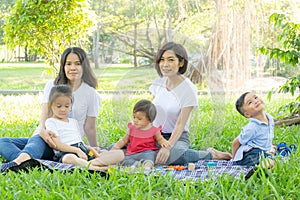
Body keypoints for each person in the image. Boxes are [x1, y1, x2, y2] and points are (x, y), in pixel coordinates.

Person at [0, 47, 103, 172]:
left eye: (77, 64)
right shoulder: (52, 85)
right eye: (68, 64)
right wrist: (43, 131)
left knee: (35, 145)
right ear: (63, 66)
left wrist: (93, 147)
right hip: (47, 135)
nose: (72, 68)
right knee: (4, 141)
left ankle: (18, 162)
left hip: (66, 144)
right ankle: (28, 161)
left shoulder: (91, 93)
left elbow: (90, 127)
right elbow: (45, 116)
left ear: (84, 66)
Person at [149, 42, 232, 165]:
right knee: (127, 148)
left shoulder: (188, 89)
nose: (165, 64)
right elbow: (150, 114)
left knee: (175, 156)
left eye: (171, 60)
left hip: (177, 138)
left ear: (181, 63)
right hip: (155, 136)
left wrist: (167, 147)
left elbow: (180, 124)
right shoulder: (159, 82)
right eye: (162, 60)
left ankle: (212, 154)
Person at [45, 85, 123, 170]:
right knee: (68, 159)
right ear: (50, 105)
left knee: (119, 154)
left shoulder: (73, 122)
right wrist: (77, 151)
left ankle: (89, 164)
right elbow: (57, 145)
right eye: (59, 106)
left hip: (82, 150)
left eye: (67, 106)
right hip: (67, 152)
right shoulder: (51, 122)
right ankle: (97, 168)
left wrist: (91, 149)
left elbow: (78, 141)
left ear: (71, 105)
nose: (63, 109)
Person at [111, 99, 168, 169]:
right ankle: (137, 164)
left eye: (139, 119)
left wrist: (164, 143)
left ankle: (147, 167)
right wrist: (115, 147)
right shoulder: (131, 129)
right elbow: (124, 140)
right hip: (131, 153)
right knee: (121, 157)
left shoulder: (154, 130)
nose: (135, 120)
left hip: (147, 152)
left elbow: (160, 139)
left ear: (149, 120)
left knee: (151, 156)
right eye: (134, 117)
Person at [232, 92, 275, 168]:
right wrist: (234, 160)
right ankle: (258, 169)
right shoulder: (252, 127)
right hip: (249, 154)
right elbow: (235, 143)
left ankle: (263, 166)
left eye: (255, 97)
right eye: (250, 103)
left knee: (272, 158)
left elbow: (266, 136)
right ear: (247, 114)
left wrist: (270, 146)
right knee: (270, 160)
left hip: (261, 152)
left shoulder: (270, 118)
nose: (256, 101)